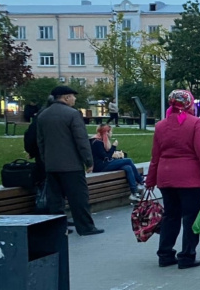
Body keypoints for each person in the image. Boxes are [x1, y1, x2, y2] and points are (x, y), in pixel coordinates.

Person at [145, 90, 200, 269]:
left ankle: (165, 254)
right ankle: (187, 256)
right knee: (191, 217)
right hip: (191, 179)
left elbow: (155, 156)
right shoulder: (196, 123)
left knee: (170, 216)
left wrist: (150, 180)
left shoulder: (160, 125)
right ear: (188, 103)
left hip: (165, 177)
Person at [36, 86, 104, 236]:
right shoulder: (73, 114)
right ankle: (85, 227)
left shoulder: (43, 115)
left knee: (56, 200)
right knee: (79, 197)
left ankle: (58, 229)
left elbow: (40, 141)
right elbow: (81, 140)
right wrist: (89, 161)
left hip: (51, 165)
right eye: (73, 96)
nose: (75, 99)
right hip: (71, 165)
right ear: (66, 97)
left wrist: (45, 160)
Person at [90, 124, 145, 201]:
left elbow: (107, 155)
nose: (111, 133)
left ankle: (134, 193)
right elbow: (106, 157)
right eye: (110, 131)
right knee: (128, 160)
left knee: (128, 167)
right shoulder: (97, 142)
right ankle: (141, 182)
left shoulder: (101, 140)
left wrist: (117, 153)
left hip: (106, 163)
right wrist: (114, 146)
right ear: (106, 132)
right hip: (101, 166)